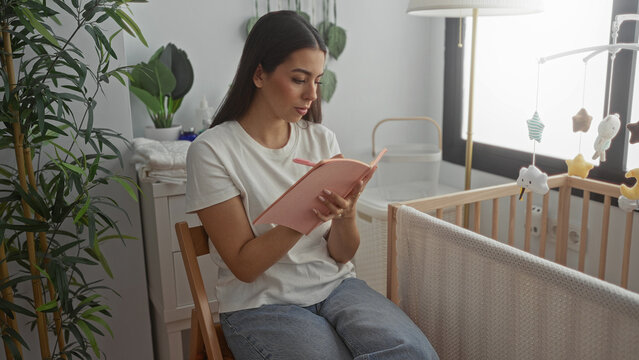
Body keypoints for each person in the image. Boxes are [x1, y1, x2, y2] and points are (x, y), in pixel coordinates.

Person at [185, 10, 438, 360]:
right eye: (300, 79)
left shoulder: (321, 139)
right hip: (263, 303)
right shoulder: (212, 150)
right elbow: (244, 266)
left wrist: (345, 215)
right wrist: (306, 212)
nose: (312, 95)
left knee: (413, 353)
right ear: (259, 74)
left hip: (337, 287)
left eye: (317, 81)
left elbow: (342, 255)